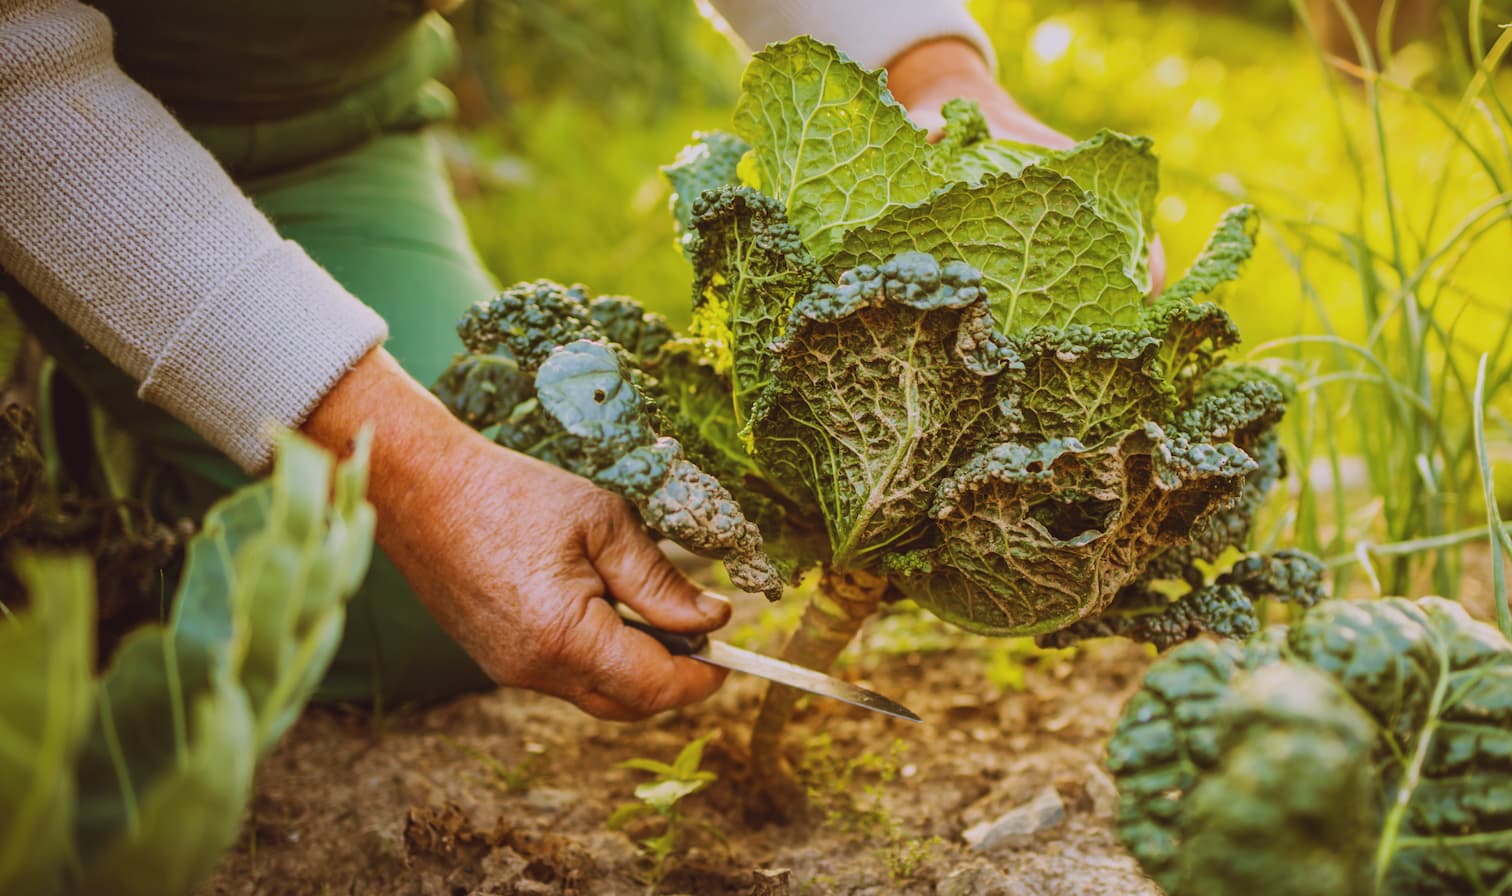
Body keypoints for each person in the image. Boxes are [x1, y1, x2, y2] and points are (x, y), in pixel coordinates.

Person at [0, 0, 1073, 721]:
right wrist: (419, 473)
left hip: (320, 131)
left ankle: (120, 422)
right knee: (404, 550)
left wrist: (932, 74)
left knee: (460, 595)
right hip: (44, 134)